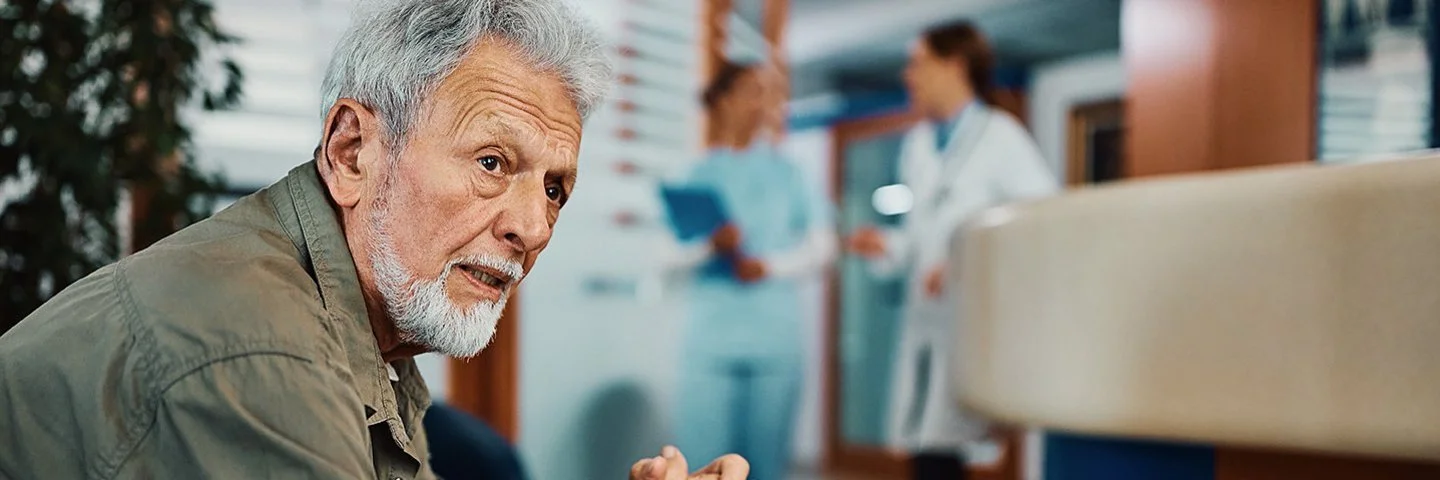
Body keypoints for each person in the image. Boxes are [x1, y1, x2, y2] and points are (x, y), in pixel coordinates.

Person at [0, 1, 746, 479]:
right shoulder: (264, 352)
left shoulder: (363, 329)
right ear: (353, 152)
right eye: (493, 162)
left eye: (554, 186)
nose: (534, 226)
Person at [844, 21, 1059, 479]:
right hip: (925, 321)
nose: (908, 76)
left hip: (970, 321)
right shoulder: (918, 145)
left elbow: (1040, 224)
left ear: (955, 64)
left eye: (918, 62)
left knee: (952, 450)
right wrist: (887, 243)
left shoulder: (1001, 136)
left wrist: (968, 261)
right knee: (927, 450)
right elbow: (920, 240)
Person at [661, 61, 836, 480]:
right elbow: (665, 255)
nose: (760, 102)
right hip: (710, 345)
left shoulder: (788, 173)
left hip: (774, 340)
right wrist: (710, 245)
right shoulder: (692, 173)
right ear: (721, 101)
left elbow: (823, 247)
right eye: (749, 90)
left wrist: (769, 266)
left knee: (764, 464)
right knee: (701, 463)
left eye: (766, 93)